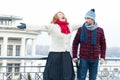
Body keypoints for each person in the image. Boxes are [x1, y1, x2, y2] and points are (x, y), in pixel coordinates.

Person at [17, 11, 81, 80]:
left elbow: (81, 25)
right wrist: (27, 26)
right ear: (56, 17)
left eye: (63, 14)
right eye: (60, 14)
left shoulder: (69, 27)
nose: (62, 15)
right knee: (54, 76)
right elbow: (40, 27)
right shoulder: (52, 26)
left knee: (67, 76)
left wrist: (90, 22)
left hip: (66, 56)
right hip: (55, 55)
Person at [72, 9, 106, 80]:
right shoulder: (81, 29)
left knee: (93, 78)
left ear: (92, 19)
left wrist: (102, 57)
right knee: (81, 77)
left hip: (95, 59)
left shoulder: (100, 30)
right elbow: (75, 43)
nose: (86, 20)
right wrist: (74, 56)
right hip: (83, 58)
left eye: (88, 18)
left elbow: (103, 45)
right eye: (85, 18)